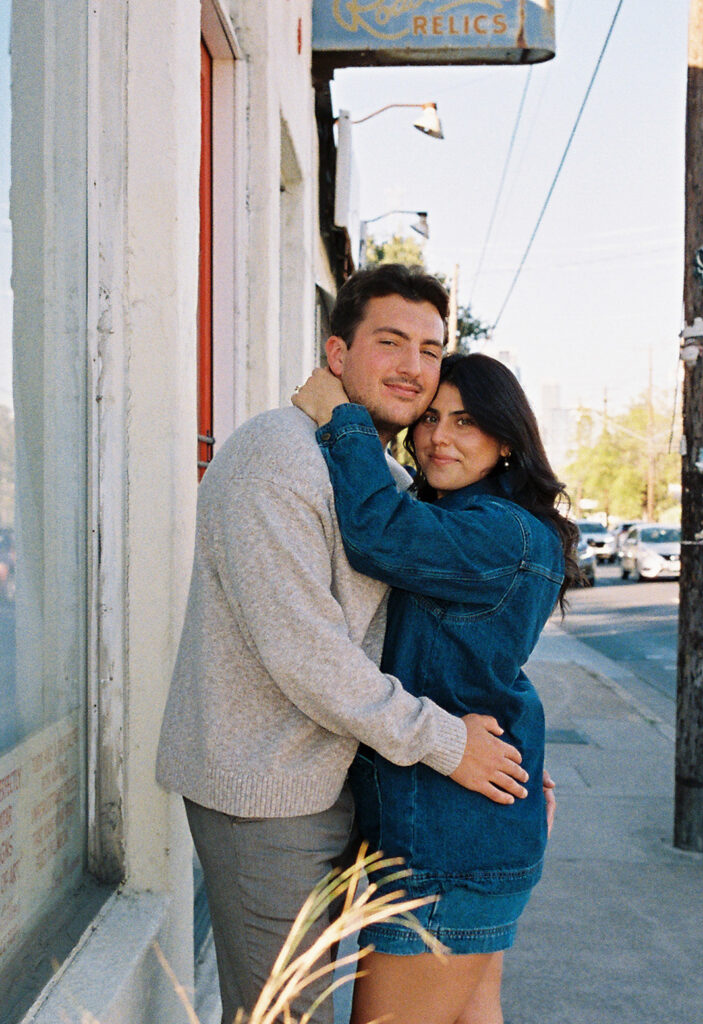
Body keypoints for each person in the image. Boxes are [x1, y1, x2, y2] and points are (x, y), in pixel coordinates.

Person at [155, 265, 533, 1024]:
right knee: (282, 1016)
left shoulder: (376, 472)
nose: (413, 368)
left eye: (430, 350)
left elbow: (431, 639)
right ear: (336, 354)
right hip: (267, 794)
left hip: (347, 781)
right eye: (389, 342)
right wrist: (448, 743)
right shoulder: (278, 455)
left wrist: (516, 748)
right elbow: (309, 654)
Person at [292, 351, 580, 1024]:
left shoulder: (499, 532)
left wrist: (342, 416)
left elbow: (378, 533)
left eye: (466, 422)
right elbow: (476, 664)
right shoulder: (484, 519)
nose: (437, 437)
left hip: (448, 850)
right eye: (428, 418)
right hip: (466, 833)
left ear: (507, 439)